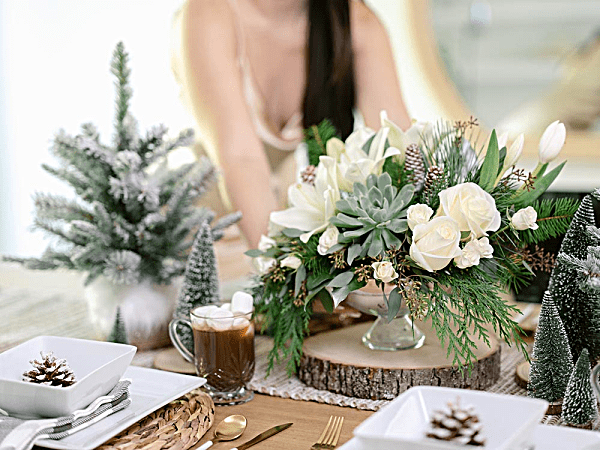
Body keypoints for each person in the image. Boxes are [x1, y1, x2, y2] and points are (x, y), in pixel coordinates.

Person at [173, 0, 410, 248]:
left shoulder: (356, 22)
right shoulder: (211, 10)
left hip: (288, 233)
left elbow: (401, 147)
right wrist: (279, 267)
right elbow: (240, 159)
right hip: (197, 239)